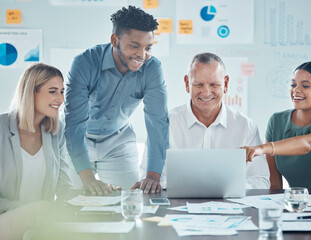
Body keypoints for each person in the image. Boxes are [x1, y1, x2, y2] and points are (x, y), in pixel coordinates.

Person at [64, 6, 168, 194]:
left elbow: (157, 123)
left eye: (147, 48)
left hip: (118, 140)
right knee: (72, 203)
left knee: (128, 200)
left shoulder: (152, 68)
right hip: (80, 138)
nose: (142, 55)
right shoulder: (84, 63)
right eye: (134, 46)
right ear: (114, 40)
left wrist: (153, 175)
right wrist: (87, 179)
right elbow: (74, 123)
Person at [141, 53, 270, 189]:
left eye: (214, 85)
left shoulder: (245, 127)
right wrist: (199, 185)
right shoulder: (166, 124)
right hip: (177, 206)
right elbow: (146, 175)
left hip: (230, 206)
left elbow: (261, 181)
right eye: (199, 85)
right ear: (187, 84)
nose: (206, 92)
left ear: (225, 84)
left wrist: (227, 187)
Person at [0, 63, 74, 240]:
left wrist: (94, 195)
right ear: (31, 92)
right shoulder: (2, 128)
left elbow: (65, 187)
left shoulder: (57, 132)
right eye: (52, 91)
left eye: (62, 92)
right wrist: (29, 211)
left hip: (39, 221)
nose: (60, 98)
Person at [243, 61, 311, 189]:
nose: (296, 90)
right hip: (297, 200)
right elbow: (275, 182)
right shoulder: (277, 121)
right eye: (293, 84)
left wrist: (262, 148)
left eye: (305, 86)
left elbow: (308, 144)